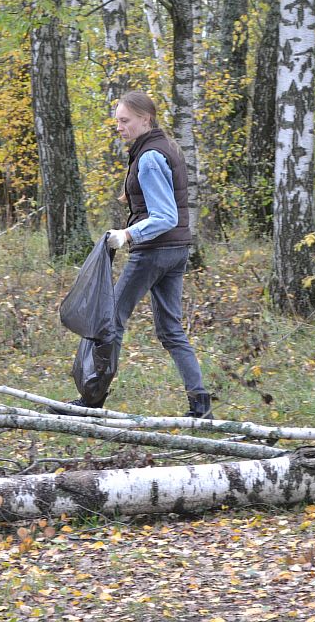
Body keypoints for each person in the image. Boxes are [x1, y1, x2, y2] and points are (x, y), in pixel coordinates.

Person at [91, 90, 212, 418]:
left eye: (125, 120)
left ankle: (91, 398)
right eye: (117, 121)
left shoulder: (149, 157)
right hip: (177, 249)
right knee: (171, 329)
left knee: (109, 321)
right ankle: (200, 404)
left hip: (155, 251)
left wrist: (128, 233)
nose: (119, 127)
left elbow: (165, 216)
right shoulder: (165, 146)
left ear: (146, 119)